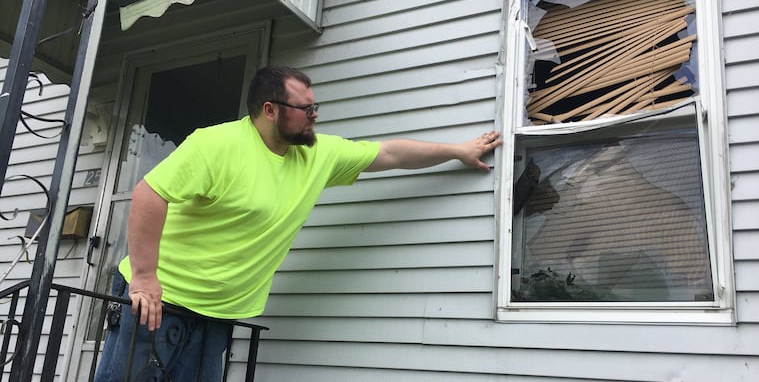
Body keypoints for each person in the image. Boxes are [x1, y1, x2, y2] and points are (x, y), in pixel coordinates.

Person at [94, 66, 502, 381]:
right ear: (270, 110)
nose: (314, 116)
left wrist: (457, 150)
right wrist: (144, 277)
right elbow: (150, 193)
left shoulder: (317, 155)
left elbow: (390, 154)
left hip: (217, 315)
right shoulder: (216, 145)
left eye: (315, 107)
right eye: (305, 109)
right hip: (158, 303)